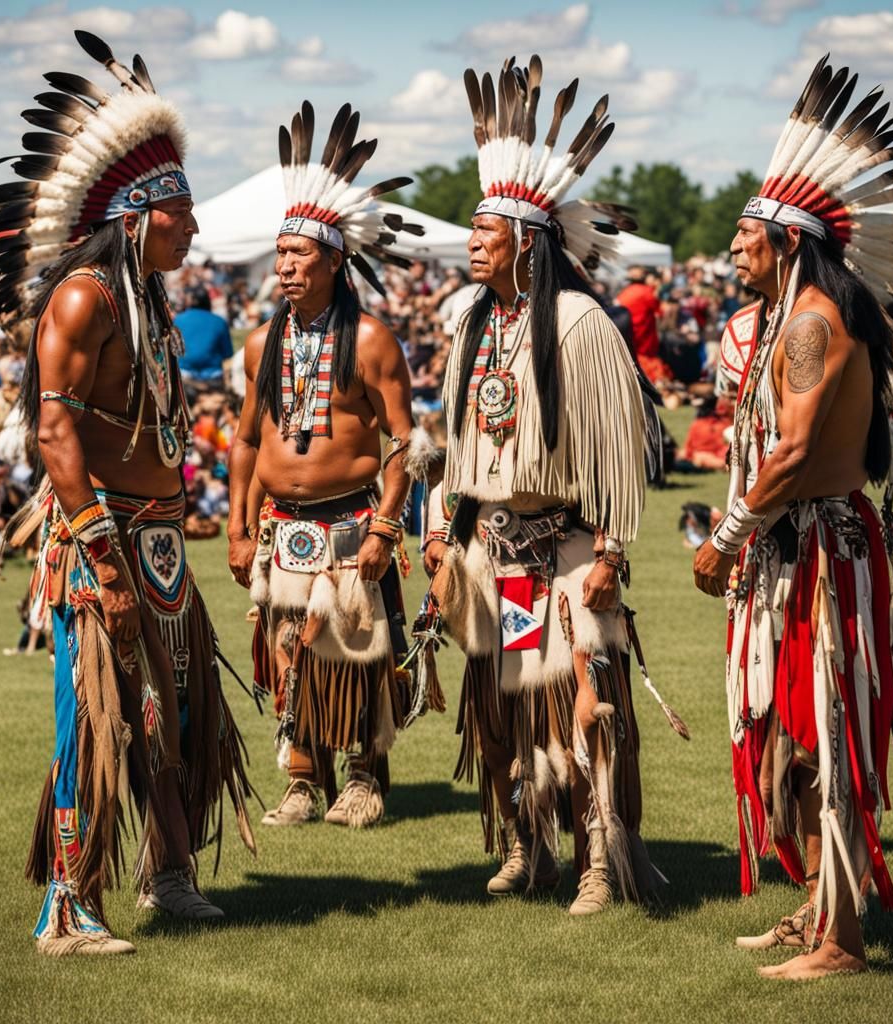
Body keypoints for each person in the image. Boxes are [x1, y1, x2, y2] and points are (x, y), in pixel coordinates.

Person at [0, 31, 255, 957]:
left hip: (165, 539)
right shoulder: (84, 300)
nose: (197, 229)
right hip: (104, 542)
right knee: (92, 714)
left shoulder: (148, 299)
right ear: (139, 215)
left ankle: (167, 874)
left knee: (173, 713)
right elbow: (55, 432)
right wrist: (102, 554)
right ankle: (68, 905)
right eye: (184, 215)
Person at [692, 56, 893, 979]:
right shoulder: (801, 313)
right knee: (791, 732)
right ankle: (817, 906)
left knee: (825, 733)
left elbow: (793, 453)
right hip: (797, 552)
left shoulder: (808, 322)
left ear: (789, 241)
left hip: (821, 557)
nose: (733, 248)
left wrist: (724, 539)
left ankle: (843, 940)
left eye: (747, 234)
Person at [424, 56, 662, 915]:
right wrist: (442, 528)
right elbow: (455, 446)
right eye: (472, 233)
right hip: (503, 556)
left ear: (526, 240)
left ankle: (602, 855)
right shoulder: (473, 324)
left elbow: (619, 457)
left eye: (485, 234)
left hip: (568, 552)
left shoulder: (582, 324)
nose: (472, 244)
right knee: (514, 708)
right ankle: (532, 847)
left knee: (586, 706)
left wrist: (610, 553)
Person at [227, 101, 433, 828]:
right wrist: (236, 526)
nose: (284, 265)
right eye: (279, 253)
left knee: (354, 653)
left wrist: (385, 527)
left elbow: (407, 442)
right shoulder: (259, 344)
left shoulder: (372, 340)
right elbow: (247, 440)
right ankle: (301, 783)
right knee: (289, 653)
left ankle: (365, 778)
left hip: (351, 521)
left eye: (299, 253)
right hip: (282, 525)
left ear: (334, 259)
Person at [175, 285, 234, 390]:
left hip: (183, 376)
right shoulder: (219, 322)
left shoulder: (178, 320)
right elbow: (227, 353)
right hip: (213, 377)